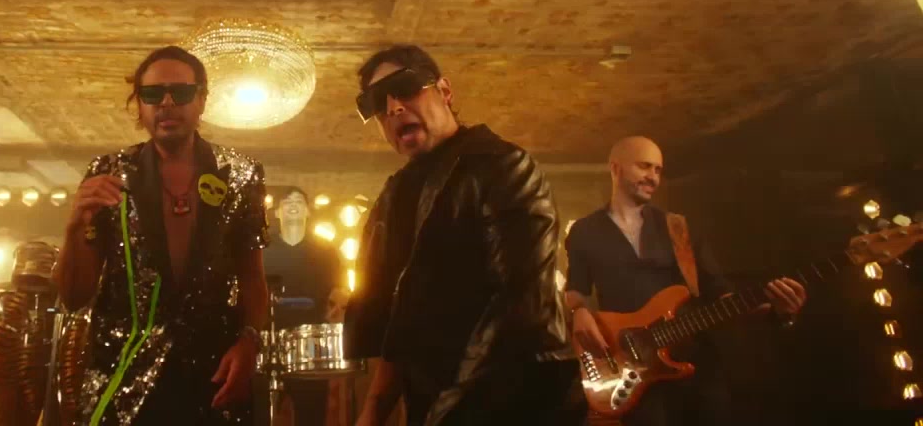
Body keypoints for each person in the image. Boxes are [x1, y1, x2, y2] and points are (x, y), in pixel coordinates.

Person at [343, 44, 584, 426]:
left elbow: (519, 307)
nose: (393, 108)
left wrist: (445, 412)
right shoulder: (398, 193)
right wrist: (374, 409)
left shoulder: (504, 166)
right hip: (439, 404)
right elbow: (400, 321)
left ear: (445, 91)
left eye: (404, 87)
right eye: (377, 102)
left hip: (521, 405)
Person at [54, 46, 269, 425]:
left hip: (215, 377)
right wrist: (74, 229)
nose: (167, 103)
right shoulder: (109, 171)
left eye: (181, 93)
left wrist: (250, 342)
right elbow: (74, 297)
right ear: (139, 105)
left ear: (201, 100)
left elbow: (253, 276)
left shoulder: (240, 175)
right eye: (153, 94)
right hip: (122, 377)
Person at [564, 136, 807, 425]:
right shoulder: (585, 231)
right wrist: (578, 312)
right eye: (644, 166)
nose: (653, 177)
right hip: (630, 368)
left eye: (658, 169)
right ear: (615, 169)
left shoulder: (679, 228)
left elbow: (720, 295)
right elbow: (576, 289)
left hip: (696, 367)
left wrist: (776, 310)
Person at [261, 186, 344, 426]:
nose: (293, 204)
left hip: (310, 346)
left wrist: (339, 307)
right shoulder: (263, 249)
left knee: (312, 416)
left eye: (299, 201)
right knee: (261, 414)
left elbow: (340, 290)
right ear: (277, 212)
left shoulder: (326, 251)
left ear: (308, 211)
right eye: (287, 201)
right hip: (269, 341)